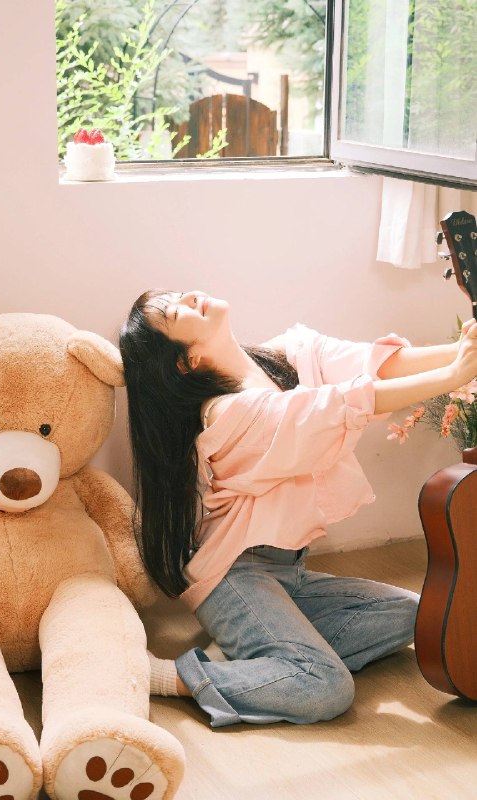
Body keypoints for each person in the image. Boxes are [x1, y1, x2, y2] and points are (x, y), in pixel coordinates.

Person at [119, 289, 477, 728]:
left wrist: (462, 351)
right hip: (235, 577)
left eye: (180, 294)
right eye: (178, 310)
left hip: (291, 573)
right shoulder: (225, 413)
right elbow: (334, 406)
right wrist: (454, 374)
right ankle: (170, 675)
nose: (191, 297)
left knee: (424, 615)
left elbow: (375, 365)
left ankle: (259, 654)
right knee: (324, 686)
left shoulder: (285, 356)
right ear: (186, 361)